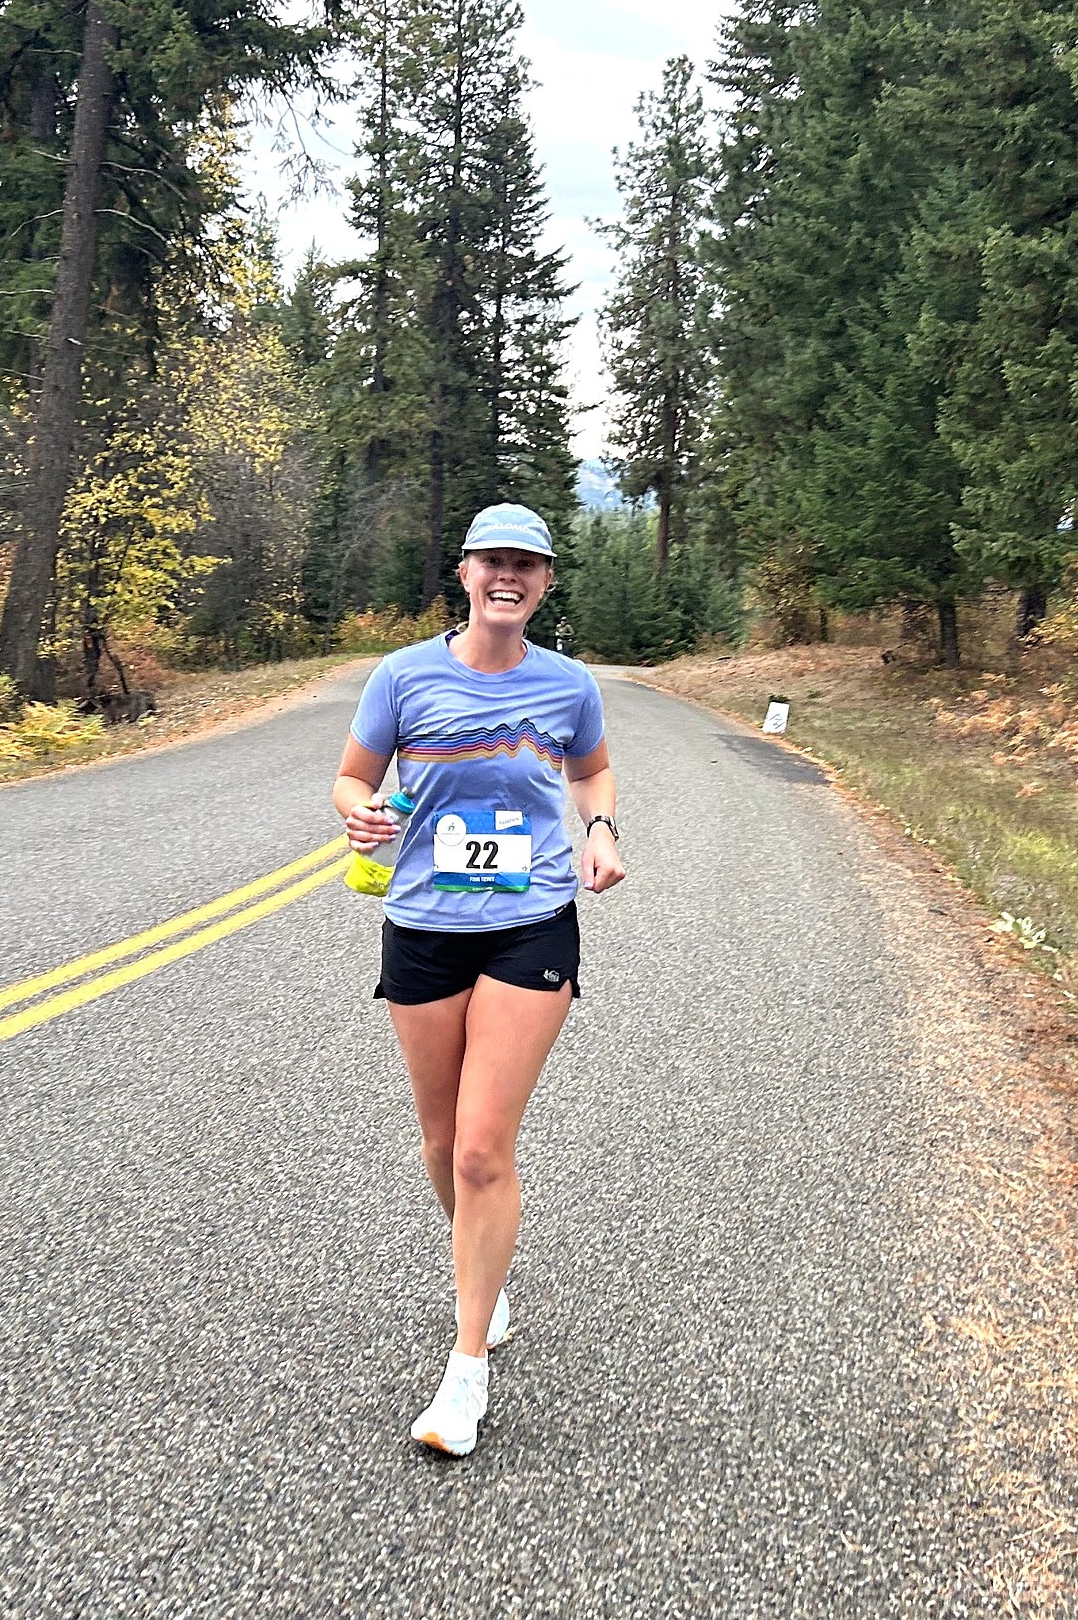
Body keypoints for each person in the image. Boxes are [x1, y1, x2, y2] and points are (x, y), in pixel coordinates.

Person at [332, 502, 626, 1456]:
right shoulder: (402, 674)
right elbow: (350, 778)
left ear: (544, 583)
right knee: (437, 1135)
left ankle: (466, 1374)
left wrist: (602, 829)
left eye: (528, 566)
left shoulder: (569, 683)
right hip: (423, 922)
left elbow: (593, 771)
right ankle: (484, 1277)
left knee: (480, 1146)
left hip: (530, 922)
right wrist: (361, 815)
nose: (510, 577)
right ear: (464, 573)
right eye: (493, 561)